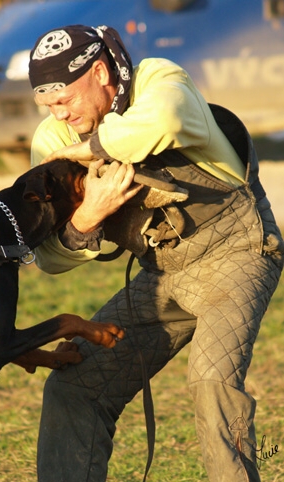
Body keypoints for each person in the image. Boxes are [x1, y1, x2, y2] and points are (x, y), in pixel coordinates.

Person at [28, 25, 284, 482]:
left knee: (212, 381)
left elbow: (162, 122)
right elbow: (48, 257)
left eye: (64, 100)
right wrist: (88, 217)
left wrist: (85, 154)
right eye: (46, 106)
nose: (57, 115)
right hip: (162, 272)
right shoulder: (52, 139)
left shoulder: (160, 79)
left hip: (238, 250)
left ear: (101, 72)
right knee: (73, 387)